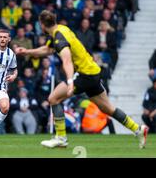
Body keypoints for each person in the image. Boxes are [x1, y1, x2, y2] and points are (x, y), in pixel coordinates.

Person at [15, 10, 148, 148]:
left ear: (42, 25)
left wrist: (70, 81)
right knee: (108, 108)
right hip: (93, 72)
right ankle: (138, 129)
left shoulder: (59, 37)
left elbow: (67, 61)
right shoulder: (60, 29)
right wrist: (27, 52)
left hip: (84, 74)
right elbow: (47, 50)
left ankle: (61, 138)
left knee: (53, 98)